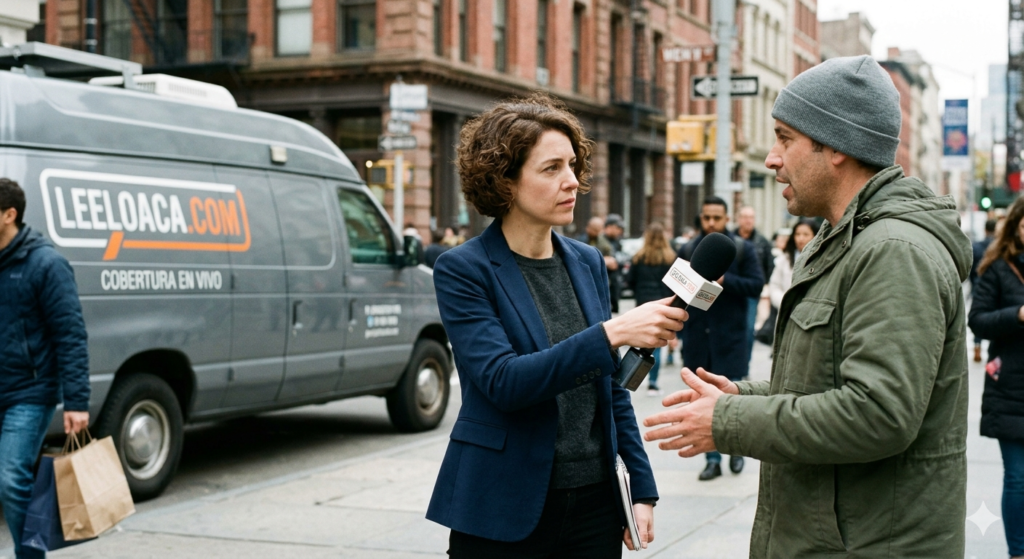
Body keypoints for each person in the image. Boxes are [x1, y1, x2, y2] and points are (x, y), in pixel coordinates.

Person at [644, 55, 972, 558]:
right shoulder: (841, 239)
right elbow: (827, 383)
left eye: (784, 138)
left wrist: (728, 422)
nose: (772, 158)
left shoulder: (892, 251)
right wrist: (742, 396)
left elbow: (878, 413)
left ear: (835, 146)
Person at [428, 96, 688, 557]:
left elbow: (610, 390)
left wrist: (641, 487)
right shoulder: (464, 269)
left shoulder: (586, 261)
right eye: (551, 169)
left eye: (572, 165)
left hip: (595, 505)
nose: (572, 182)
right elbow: (504, 382)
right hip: (501, 504)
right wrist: (612, 334)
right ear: (504, 181)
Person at [0, 178, 91, 559]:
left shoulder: (46, 264)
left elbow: (70, 334)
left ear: (9, 214)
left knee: (11, 479)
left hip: (30, 392)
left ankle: (29, 555)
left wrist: (77, 402)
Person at [676, 195, 763, 480]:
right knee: (702, 400)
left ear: (727, 219)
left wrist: (727, 282)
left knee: (733, 397)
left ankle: (736, 451)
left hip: (731, 339)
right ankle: (712, 460)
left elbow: (756, 285)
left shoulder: (741, 249)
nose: (711, 222)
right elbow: (678, 294)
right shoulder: (689, 248)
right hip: (699, 339)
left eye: (717, 217)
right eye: (706, 217)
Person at [968, 196, 1024, 559]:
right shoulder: (998, 267)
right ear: (1016, 225)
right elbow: (978, 320)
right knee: (1019, 478)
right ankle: (1018, 552)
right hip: (1011, 384)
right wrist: (1017, 315)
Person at [625, 222, 677, 396]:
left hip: (643, 303)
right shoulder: (670, 258)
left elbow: (630, 280)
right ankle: (653, 382)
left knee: (640, 340)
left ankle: (629, 377)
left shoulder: (639, 257)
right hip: (662, 303)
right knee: (658, 343)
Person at [735, 206, 774, 363]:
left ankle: (745, 363)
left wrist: (763, 284)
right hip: (730, 291)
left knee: (748, 329)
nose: (748, 220)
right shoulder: (730, 237)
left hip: (750, 292)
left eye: (751, 217)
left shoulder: (762, 241)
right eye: (745, 217)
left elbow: (769, 265)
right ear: (739, 219)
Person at [767, 219, 819, 310]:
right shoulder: (784, 260)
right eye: (797, 234)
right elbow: (774, 286)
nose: (801, 238)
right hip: (786, 310)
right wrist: (786, 303)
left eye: (806, 234)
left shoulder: (820, 259)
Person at [971, 218, 998, 362]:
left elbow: (971, 269)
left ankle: (977, 345)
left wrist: (973, 282)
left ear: (985, 230)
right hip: (997, 288)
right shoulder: (1000, 247)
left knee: (980, 314)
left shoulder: (977, 246)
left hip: (978, 285)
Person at [604, 214, 625, 313]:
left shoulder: (617, 242)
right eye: (617, 228)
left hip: (615, 281)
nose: (619, 231)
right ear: (609, 227)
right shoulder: (601, 240)